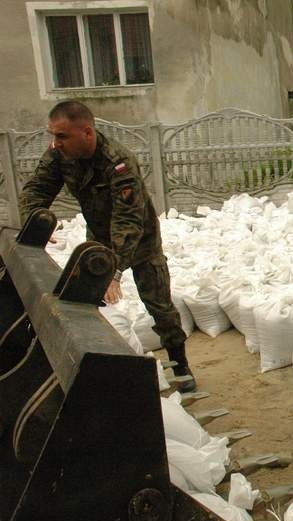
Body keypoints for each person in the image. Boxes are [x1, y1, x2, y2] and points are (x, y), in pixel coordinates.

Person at [18, 100, 196, 392]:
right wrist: (34, 221)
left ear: (86, 132)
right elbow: (37, 188)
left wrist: (113, 272)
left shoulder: (118, 162)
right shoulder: (58, 155)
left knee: (159, 305)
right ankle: (95, 365)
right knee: (86, 300)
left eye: (62, 136)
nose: (55, 142)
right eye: (53, 135)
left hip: (140, 240)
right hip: (98, 239)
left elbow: (128, 220)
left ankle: (180, 363)